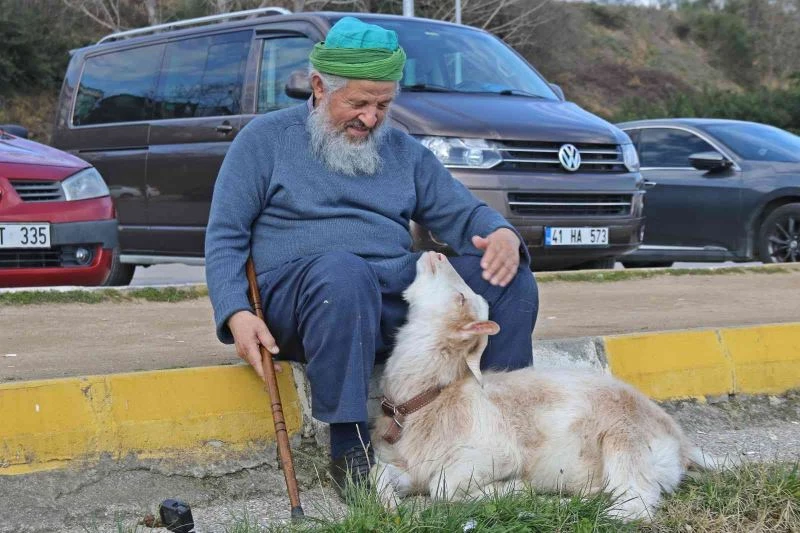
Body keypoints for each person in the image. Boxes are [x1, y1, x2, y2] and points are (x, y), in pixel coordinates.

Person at [205, 16, 538, 496]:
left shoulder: (402, 150)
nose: (371, 118)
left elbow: (464, 215)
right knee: (342, 271)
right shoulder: (264, 140)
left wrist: (501, 233)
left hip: (388, 296)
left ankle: (502, 430)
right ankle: (351, 452)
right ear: (319, 87)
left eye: (383, 104)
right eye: (357, 103)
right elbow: (225, 236)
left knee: (508, 279)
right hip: (306, 301)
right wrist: (235, 312)